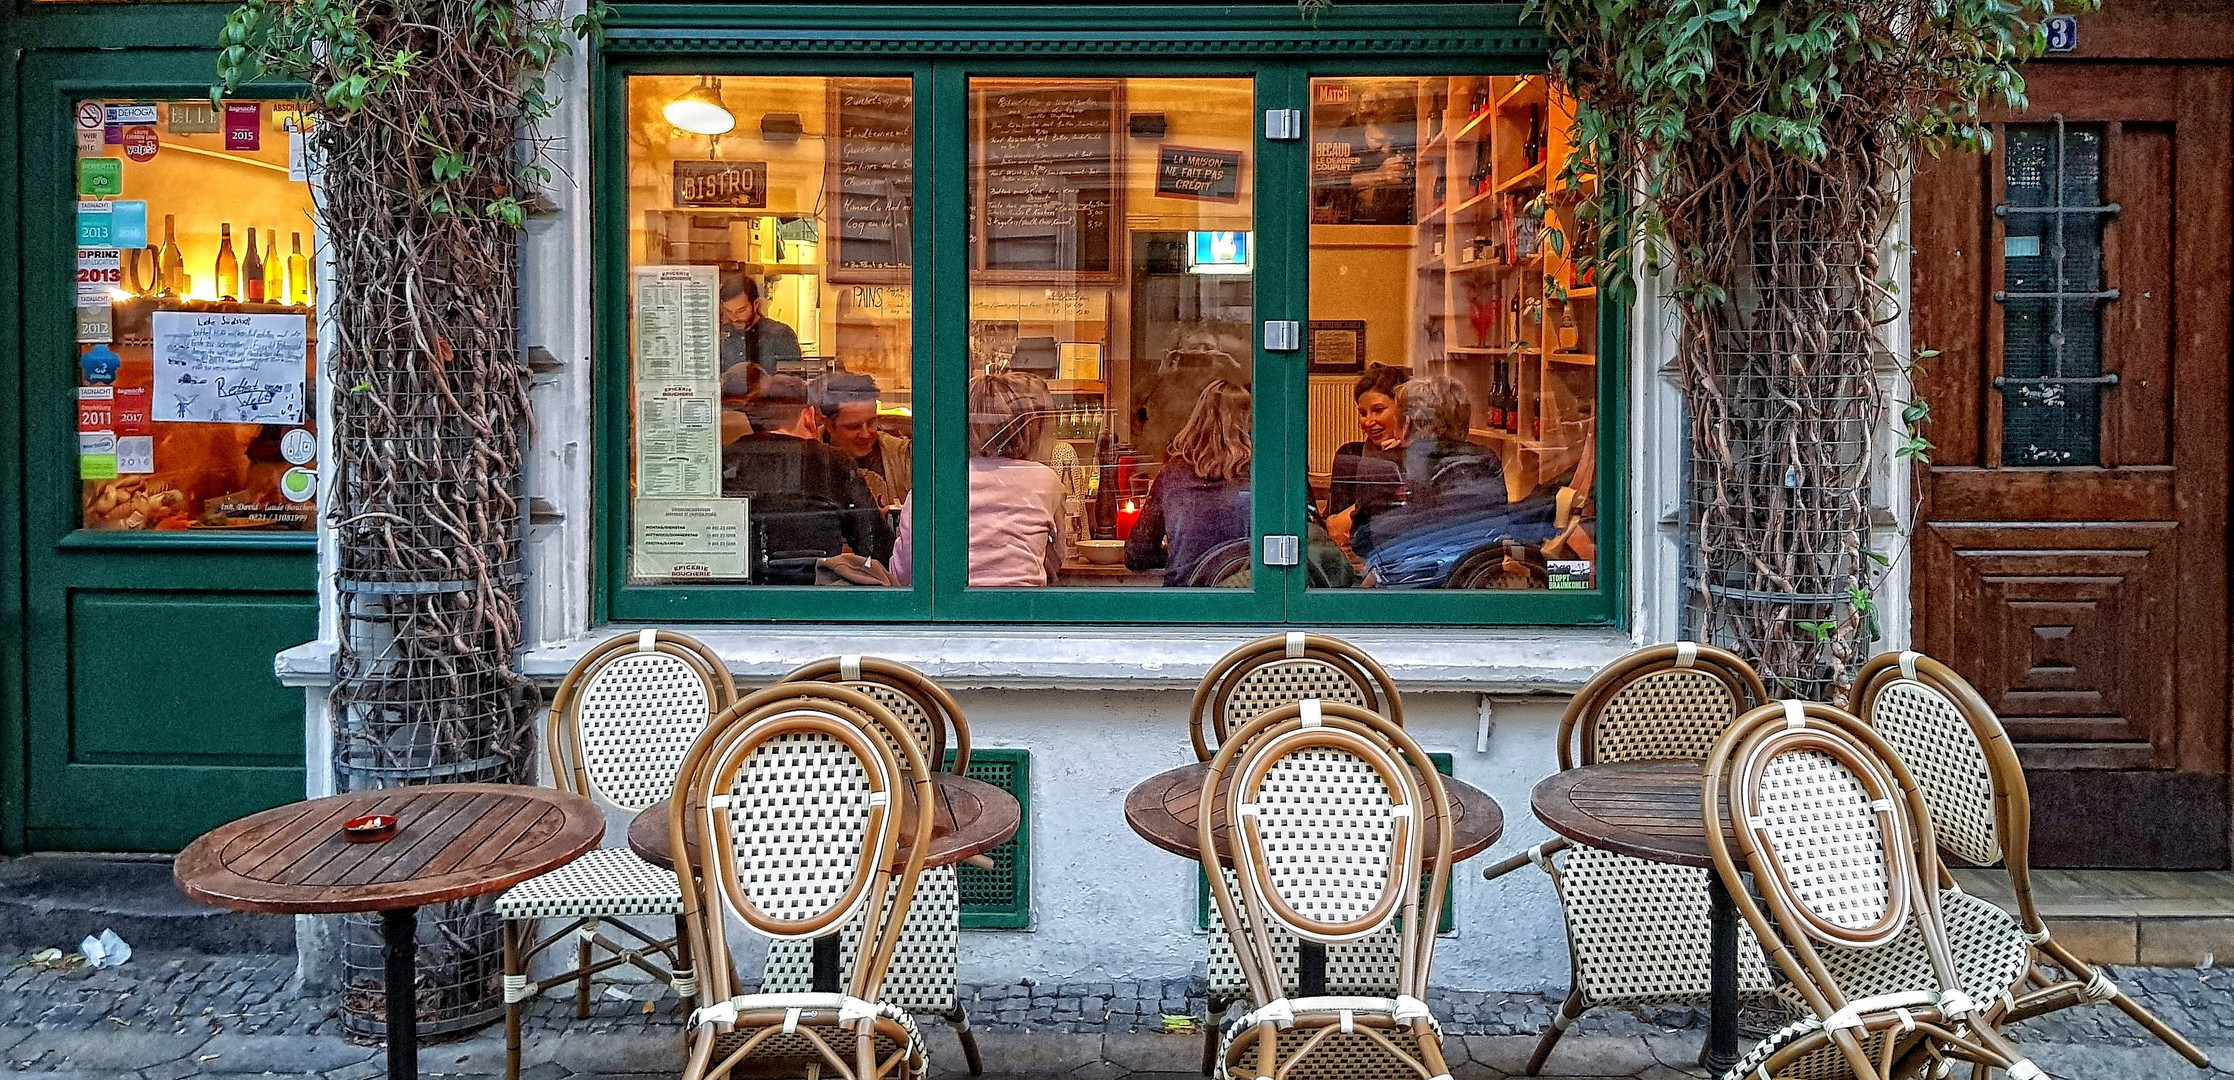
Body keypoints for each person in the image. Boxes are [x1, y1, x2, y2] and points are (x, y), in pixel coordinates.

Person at [891, 370, 1064, 587]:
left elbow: (904, 573)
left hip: (948, 613)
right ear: (1031, 428)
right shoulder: (1044, 480)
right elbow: (1058, 559)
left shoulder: (935, 483)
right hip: (1021, 609)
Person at [721, 374, 891, 581]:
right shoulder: (832, 462)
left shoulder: (725, 460)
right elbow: (875, 548)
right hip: (816, 596)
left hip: (737, 595)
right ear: (809, 416)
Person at [1352, 373, 1508, 556]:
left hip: (1414, 575)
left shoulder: (1393, 464)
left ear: (1407, 424)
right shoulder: (1487, 457)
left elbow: (1361, 541)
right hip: (1477, 570)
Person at [1125, 380, 1253, 586]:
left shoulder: (1173, 474)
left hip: (1184, 601)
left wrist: (1184, 555)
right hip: (1244, 601)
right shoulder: (1261, 474)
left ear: (1198, 419)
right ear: (1249, 423)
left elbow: (1137, 553)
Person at [1325, 363, 1410, 552]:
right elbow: (1334, 529)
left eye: (1378, 410)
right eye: (1363, 413)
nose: (1368, 421)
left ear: (1404, 411)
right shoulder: (1349, 455)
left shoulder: (1421, 457)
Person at [811, 371, 912, 507]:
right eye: (853, 427)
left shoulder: (904, 457)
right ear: (828, 424)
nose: (865, 434)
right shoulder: (807, 457)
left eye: (871, 423)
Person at [718, 271, 803, 376]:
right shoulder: (721, 338)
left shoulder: (780, 335)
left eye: (741, 311)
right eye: (729, 311)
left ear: (755, 304)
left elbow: (794, 384)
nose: (734, 318)